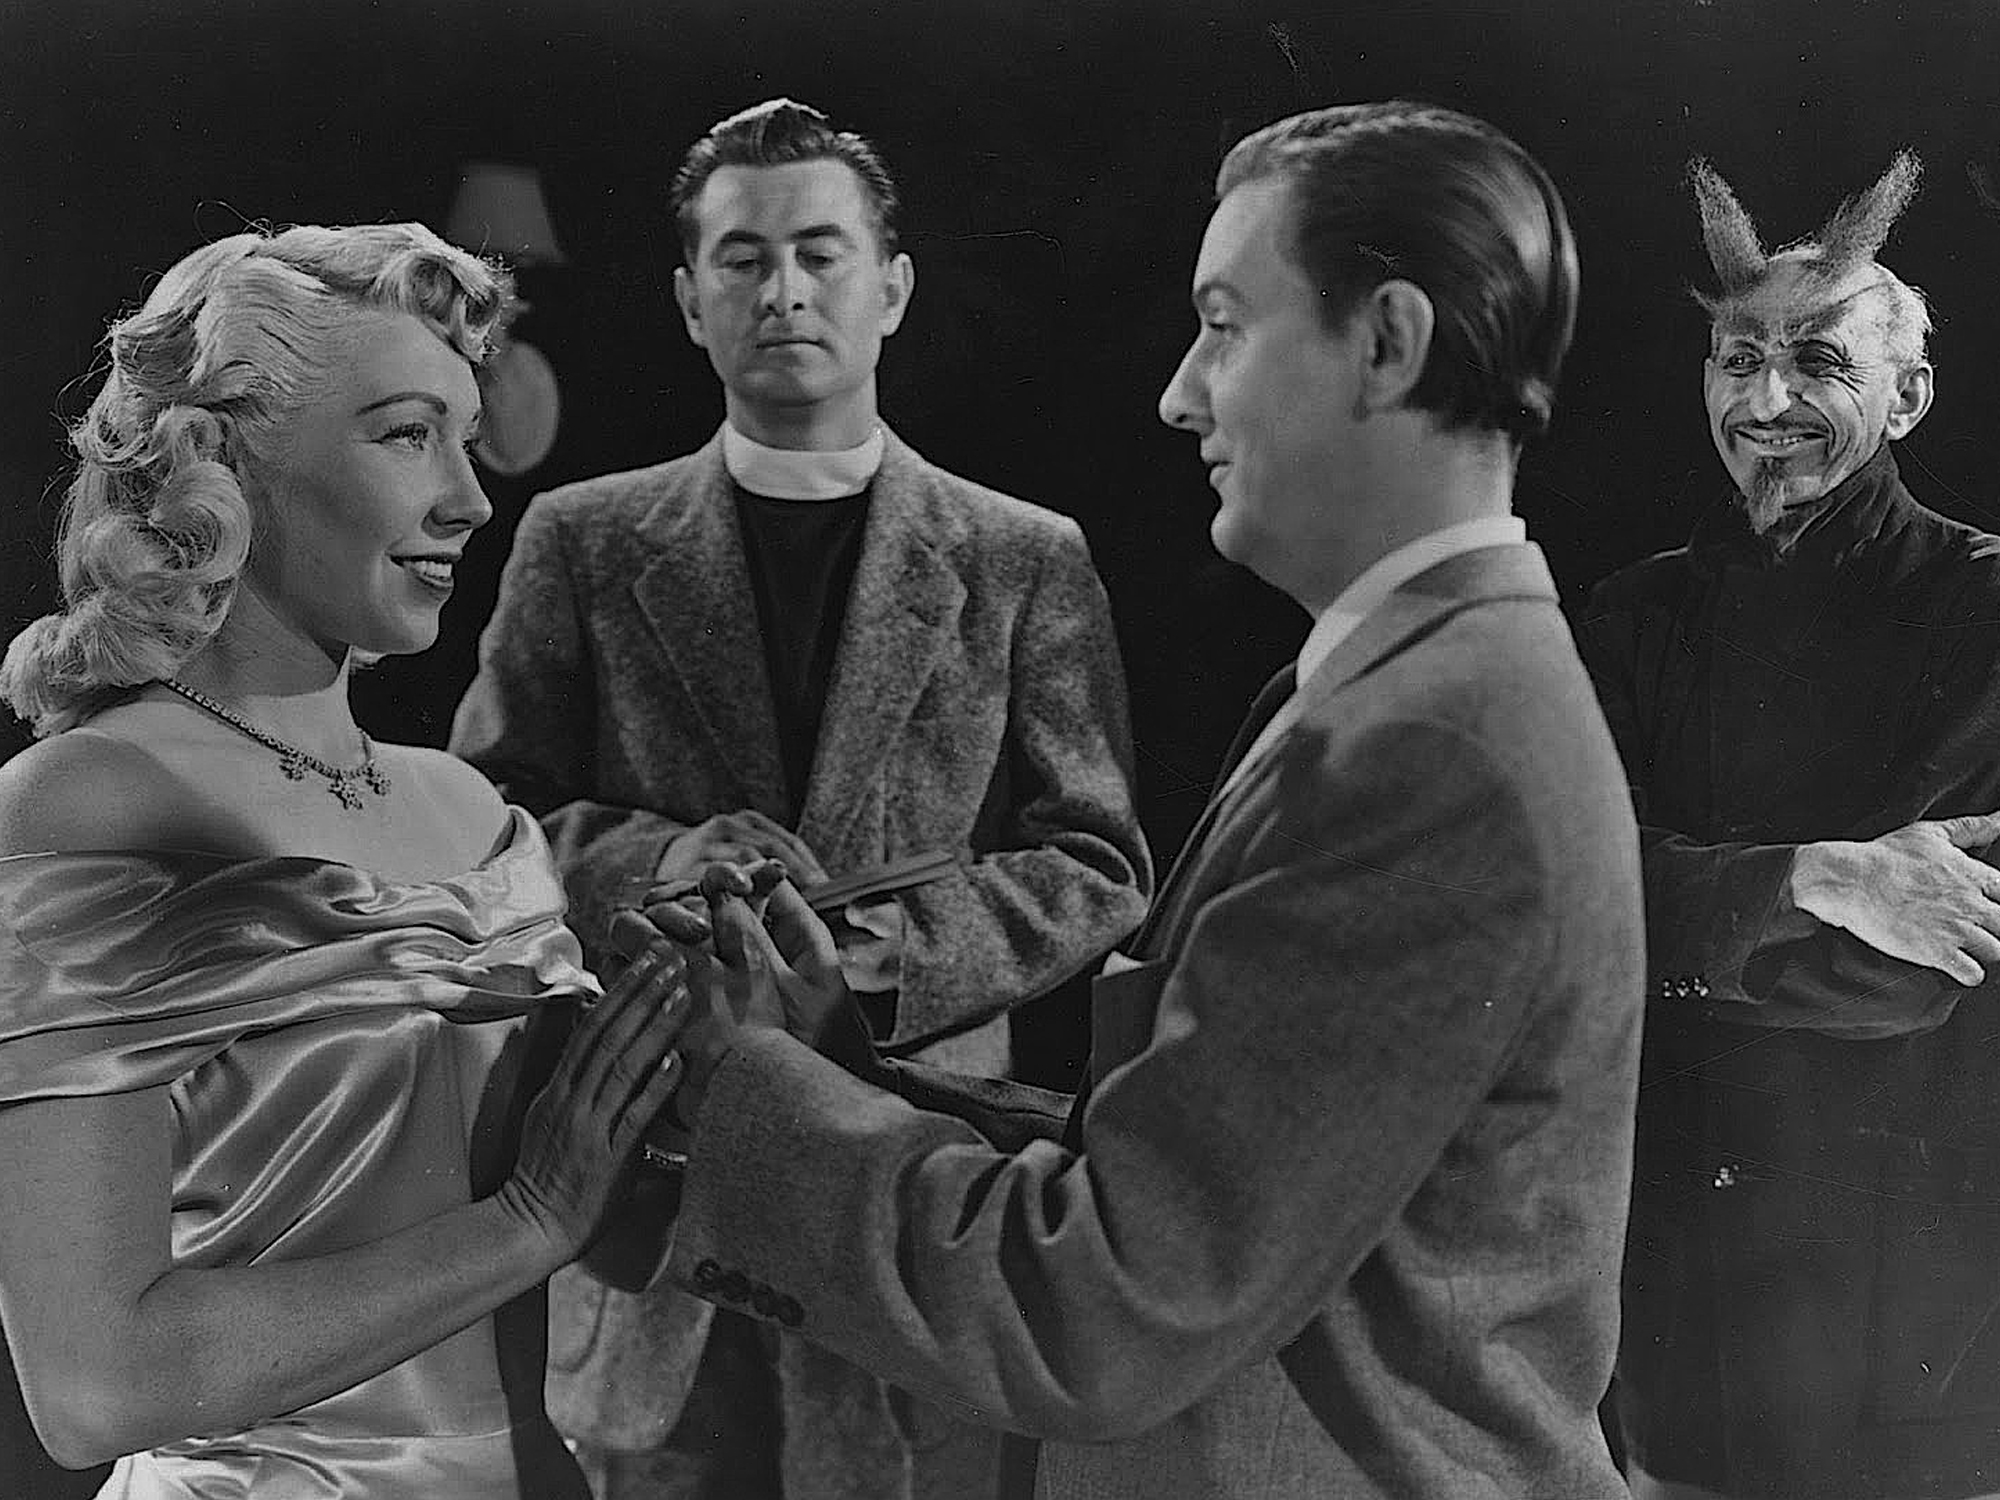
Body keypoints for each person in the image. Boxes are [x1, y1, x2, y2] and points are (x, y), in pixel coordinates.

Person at [635, 100, 1645, 1499]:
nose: (1179, 393)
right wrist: (834, 1072)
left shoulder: (1430, 747)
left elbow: (1103, 1313)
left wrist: (746, 1093)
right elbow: (1193, 1161)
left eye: (1224, 326)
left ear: (1387, 342)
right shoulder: (1399, 696)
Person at [450, 98, 1151, 1500]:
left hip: (910, 1199)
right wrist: (655, 861)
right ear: (688, 300)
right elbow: (484, 818)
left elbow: (1097, 861)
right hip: (652, 1211)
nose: (783, 293)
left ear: (890, 288)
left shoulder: (1022, 557)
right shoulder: (582, 540)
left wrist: (870, 963)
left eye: (821, 255)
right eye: (743, 260)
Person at [0, 222, 695, 1500]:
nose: (469, 498)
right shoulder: (90, 803)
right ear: (226, 463)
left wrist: (690, 1060)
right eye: (406, 434)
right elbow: (97, 1386)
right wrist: (528, 1222)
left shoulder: (472, 813)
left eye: (466, 438)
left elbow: (613, 1246)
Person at [1579, 151, 2000, 1500]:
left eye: (1818, 363)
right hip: (1666, 1257)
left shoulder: (1984, 606)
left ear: (1907, 395)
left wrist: (1676, 918)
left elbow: (1907, 971)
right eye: (1738, 361)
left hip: (1909, 1271)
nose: (1766, 402)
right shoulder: (1629, 617)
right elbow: (1557, 914)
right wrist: (1816, 875)